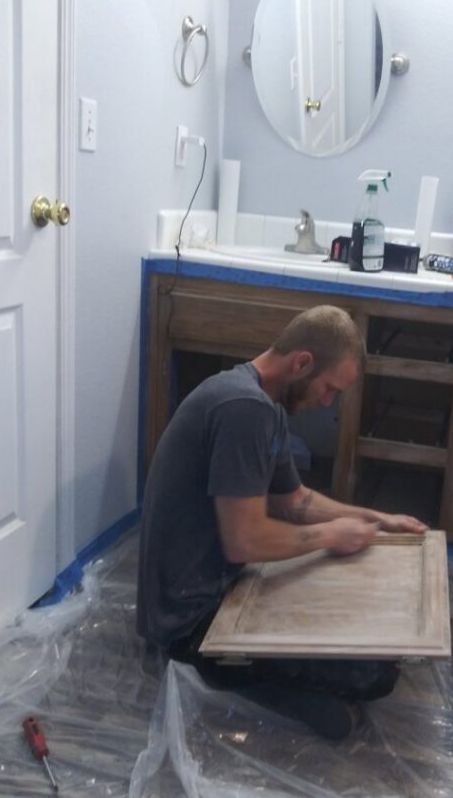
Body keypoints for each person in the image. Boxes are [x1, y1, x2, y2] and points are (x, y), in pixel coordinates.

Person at [137, 304, 426, 738]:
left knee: (378, 651)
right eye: (329, 389)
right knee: (374, 675)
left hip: (228, 587)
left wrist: (375, 518)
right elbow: (245, 540)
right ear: (302, 363)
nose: (328, 402)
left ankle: (268, 680)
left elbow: (294, 501)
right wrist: (331, 535)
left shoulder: (263, 405)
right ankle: (234, 683)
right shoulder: (243, 409)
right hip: (192, 622)